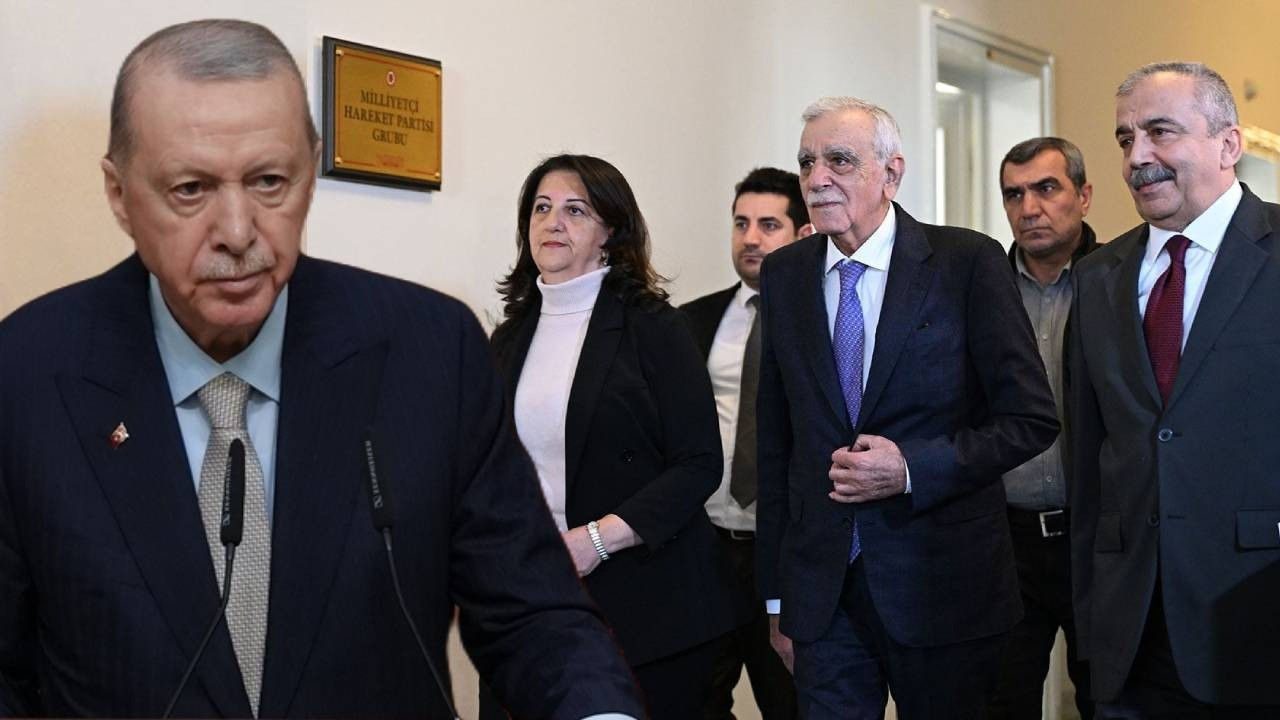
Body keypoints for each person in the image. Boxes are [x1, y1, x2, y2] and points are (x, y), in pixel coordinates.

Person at [0, 20, 644, 719]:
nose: (238, 232)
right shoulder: (27, 373)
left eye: (269, 182)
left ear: (310, 171)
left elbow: (533, 616)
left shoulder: (431, 352)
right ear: (120, 194)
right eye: (190, 189)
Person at [754, 96, 1059, 720]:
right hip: (823, 593)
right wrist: (778, 599)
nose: (816, 179)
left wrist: (911, 468)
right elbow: (776, 441)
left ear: (891, 173)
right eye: (807, 162)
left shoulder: (966, 262)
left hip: (942, 585)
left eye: (839, 160)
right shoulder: (785, 274)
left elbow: (1030, 419)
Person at [485, 154, 738, 718]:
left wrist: (596, 541)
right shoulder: (509, 337)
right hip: (531, 600)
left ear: (610, 233)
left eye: (575, 210)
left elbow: (699, 462)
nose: (553, 222)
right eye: (541, 208)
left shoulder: (655, 326)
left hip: (645, 602)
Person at [1070, 61, 1280, 718]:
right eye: (1125, 138)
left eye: (1160, 132)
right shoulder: (1097, 276)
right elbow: (1088, 460)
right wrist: (1088, 622)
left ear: (1228, 144)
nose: (1137, 157)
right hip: (1129, 632)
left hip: (1257, 618)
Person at [680, 167, 810, 720]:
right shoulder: (692, 321)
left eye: (768, 224)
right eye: (741, 223)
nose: (751, 238)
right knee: (695, 700)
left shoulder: (823, 319)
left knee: (791, 702)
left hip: (785, 552)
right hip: (707, 547)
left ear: (803, 233)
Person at [986, 137, 1096, 720]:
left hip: (1098, 536)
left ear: (1084, 195)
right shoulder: (983, 289)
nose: (1029, 208)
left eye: (1046, 188)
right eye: (1014, 194)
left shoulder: (1121, 279)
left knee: (1108, 696)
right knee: (1002, 701)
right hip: (1005, 540)